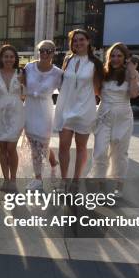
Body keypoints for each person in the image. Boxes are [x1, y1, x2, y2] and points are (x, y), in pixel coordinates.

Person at [54, 29, 103, 183]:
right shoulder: (68, 60)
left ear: (88, 41)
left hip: (85, 109)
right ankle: (64, 179)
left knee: (81, 147)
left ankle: (76, 179)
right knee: (63, 146)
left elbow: (97, 89)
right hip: (65, 107)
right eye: (75, 40)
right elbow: (62, 82)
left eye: (81, 40)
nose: (78, 43)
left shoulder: (95, 63)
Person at [91, 43, 139, 190]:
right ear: (108, 57)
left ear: (125, 57)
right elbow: (97, 92)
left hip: (123, 116)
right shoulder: (104, 72)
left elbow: (133, 94)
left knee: (120, 153)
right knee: (100, 151)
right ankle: (100, 185)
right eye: (112, 55)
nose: (115, 59)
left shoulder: (131, 74)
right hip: (104, 114)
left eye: (119, 56)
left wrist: (132, 71)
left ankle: (118, 185)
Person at [23, 40, 63, 191]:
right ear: (38, 51)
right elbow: (22, 87)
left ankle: (38, 179)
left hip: (45, 110)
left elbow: (65, 93)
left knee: (42, 143)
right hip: (29, 108)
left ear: (53, 53)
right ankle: (52, 165)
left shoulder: (58, 73)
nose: (45, 54)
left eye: (49, 51)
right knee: (35, 144)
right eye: (42, 50)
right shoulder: (29, 67)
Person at [0, 45, 24, 190]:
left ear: (15, 58)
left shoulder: (21, 73)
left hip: (16, 113)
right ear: (1, 58)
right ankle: (6, 180)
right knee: (2, 148)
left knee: (12, 147)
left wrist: (23, 82)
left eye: (11, 56)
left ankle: (13, 179)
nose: (9, 59)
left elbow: (26, 93)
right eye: (6, 56)